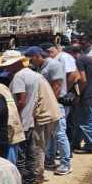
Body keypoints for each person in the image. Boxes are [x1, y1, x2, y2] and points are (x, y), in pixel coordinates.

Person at [0, 49, 40, 184]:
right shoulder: (34, 75)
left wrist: (14, 116)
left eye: (7, 65)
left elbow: (21, 101)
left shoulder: (18, 78)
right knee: (30, 153)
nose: (6, 68)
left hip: (21, 121)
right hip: (29, 119)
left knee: (20, 156)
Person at [38, 45, 72, 176]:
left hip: (56, 104)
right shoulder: (46, 65)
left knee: (59, 134)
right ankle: (50, 159)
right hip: (53, 103)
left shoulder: (53, 65)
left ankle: (66, 163)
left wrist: (50, 103)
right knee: (51, 133)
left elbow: (57, 86)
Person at [68, 45, 92, 154]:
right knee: (83, 120)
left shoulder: (79, 60)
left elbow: (83, 79)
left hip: (86, 95)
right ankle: (77, 143)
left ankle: (90, 145)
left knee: (86, 121)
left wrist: (78, 94)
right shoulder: (87, 58)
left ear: (72, 53)